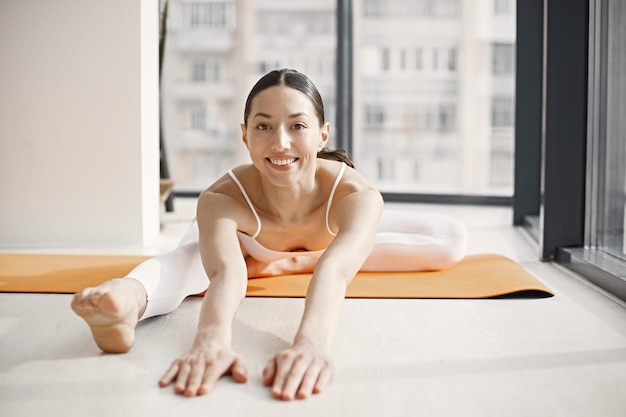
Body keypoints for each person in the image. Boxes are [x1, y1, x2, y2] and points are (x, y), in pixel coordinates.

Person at [71, 68, 468, 401]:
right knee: (191, 265)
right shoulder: (221, 198)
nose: (280, 142)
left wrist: (310, 344)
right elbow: (227, 275)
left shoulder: (355, 194)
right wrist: (211, 342)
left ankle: (285, 260)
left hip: (308, 243)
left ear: (322, 135)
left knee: (450, 239)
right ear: (245, 134)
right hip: (244, 247)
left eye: (297, 126)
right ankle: (125, 299)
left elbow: (334, 271)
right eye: (264, 126)